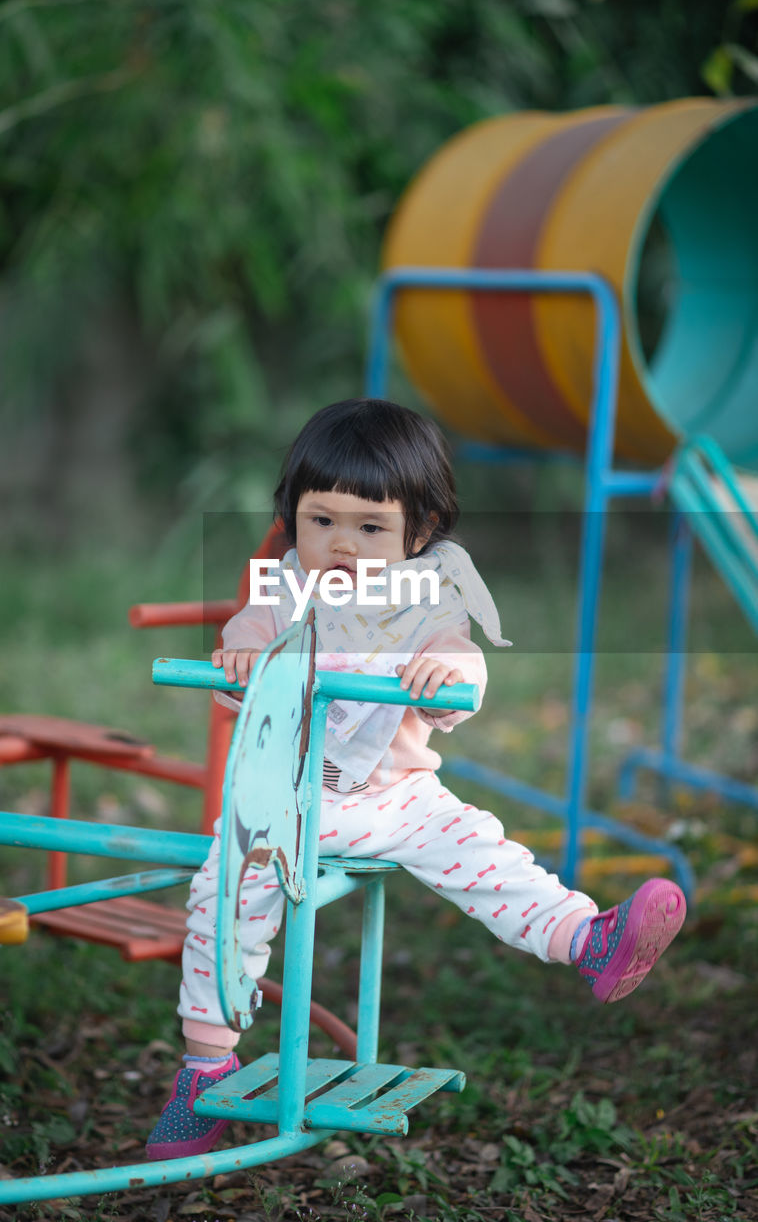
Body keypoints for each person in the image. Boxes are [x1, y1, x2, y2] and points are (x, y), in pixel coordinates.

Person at [146, 398, 686, 1161]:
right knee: (225, 894)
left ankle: (587, 939)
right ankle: (204, 1070)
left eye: (370, 528)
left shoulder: (424, 602)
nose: (341, 545)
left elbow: (461, 660)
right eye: (320, 520)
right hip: (290, 802)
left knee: (486, 852)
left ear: (419, 533)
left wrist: (447, 671)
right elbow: (243, 645)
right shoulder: (284, 589)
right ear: (292, 518)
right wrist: (237, 661)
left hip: (400, 800)